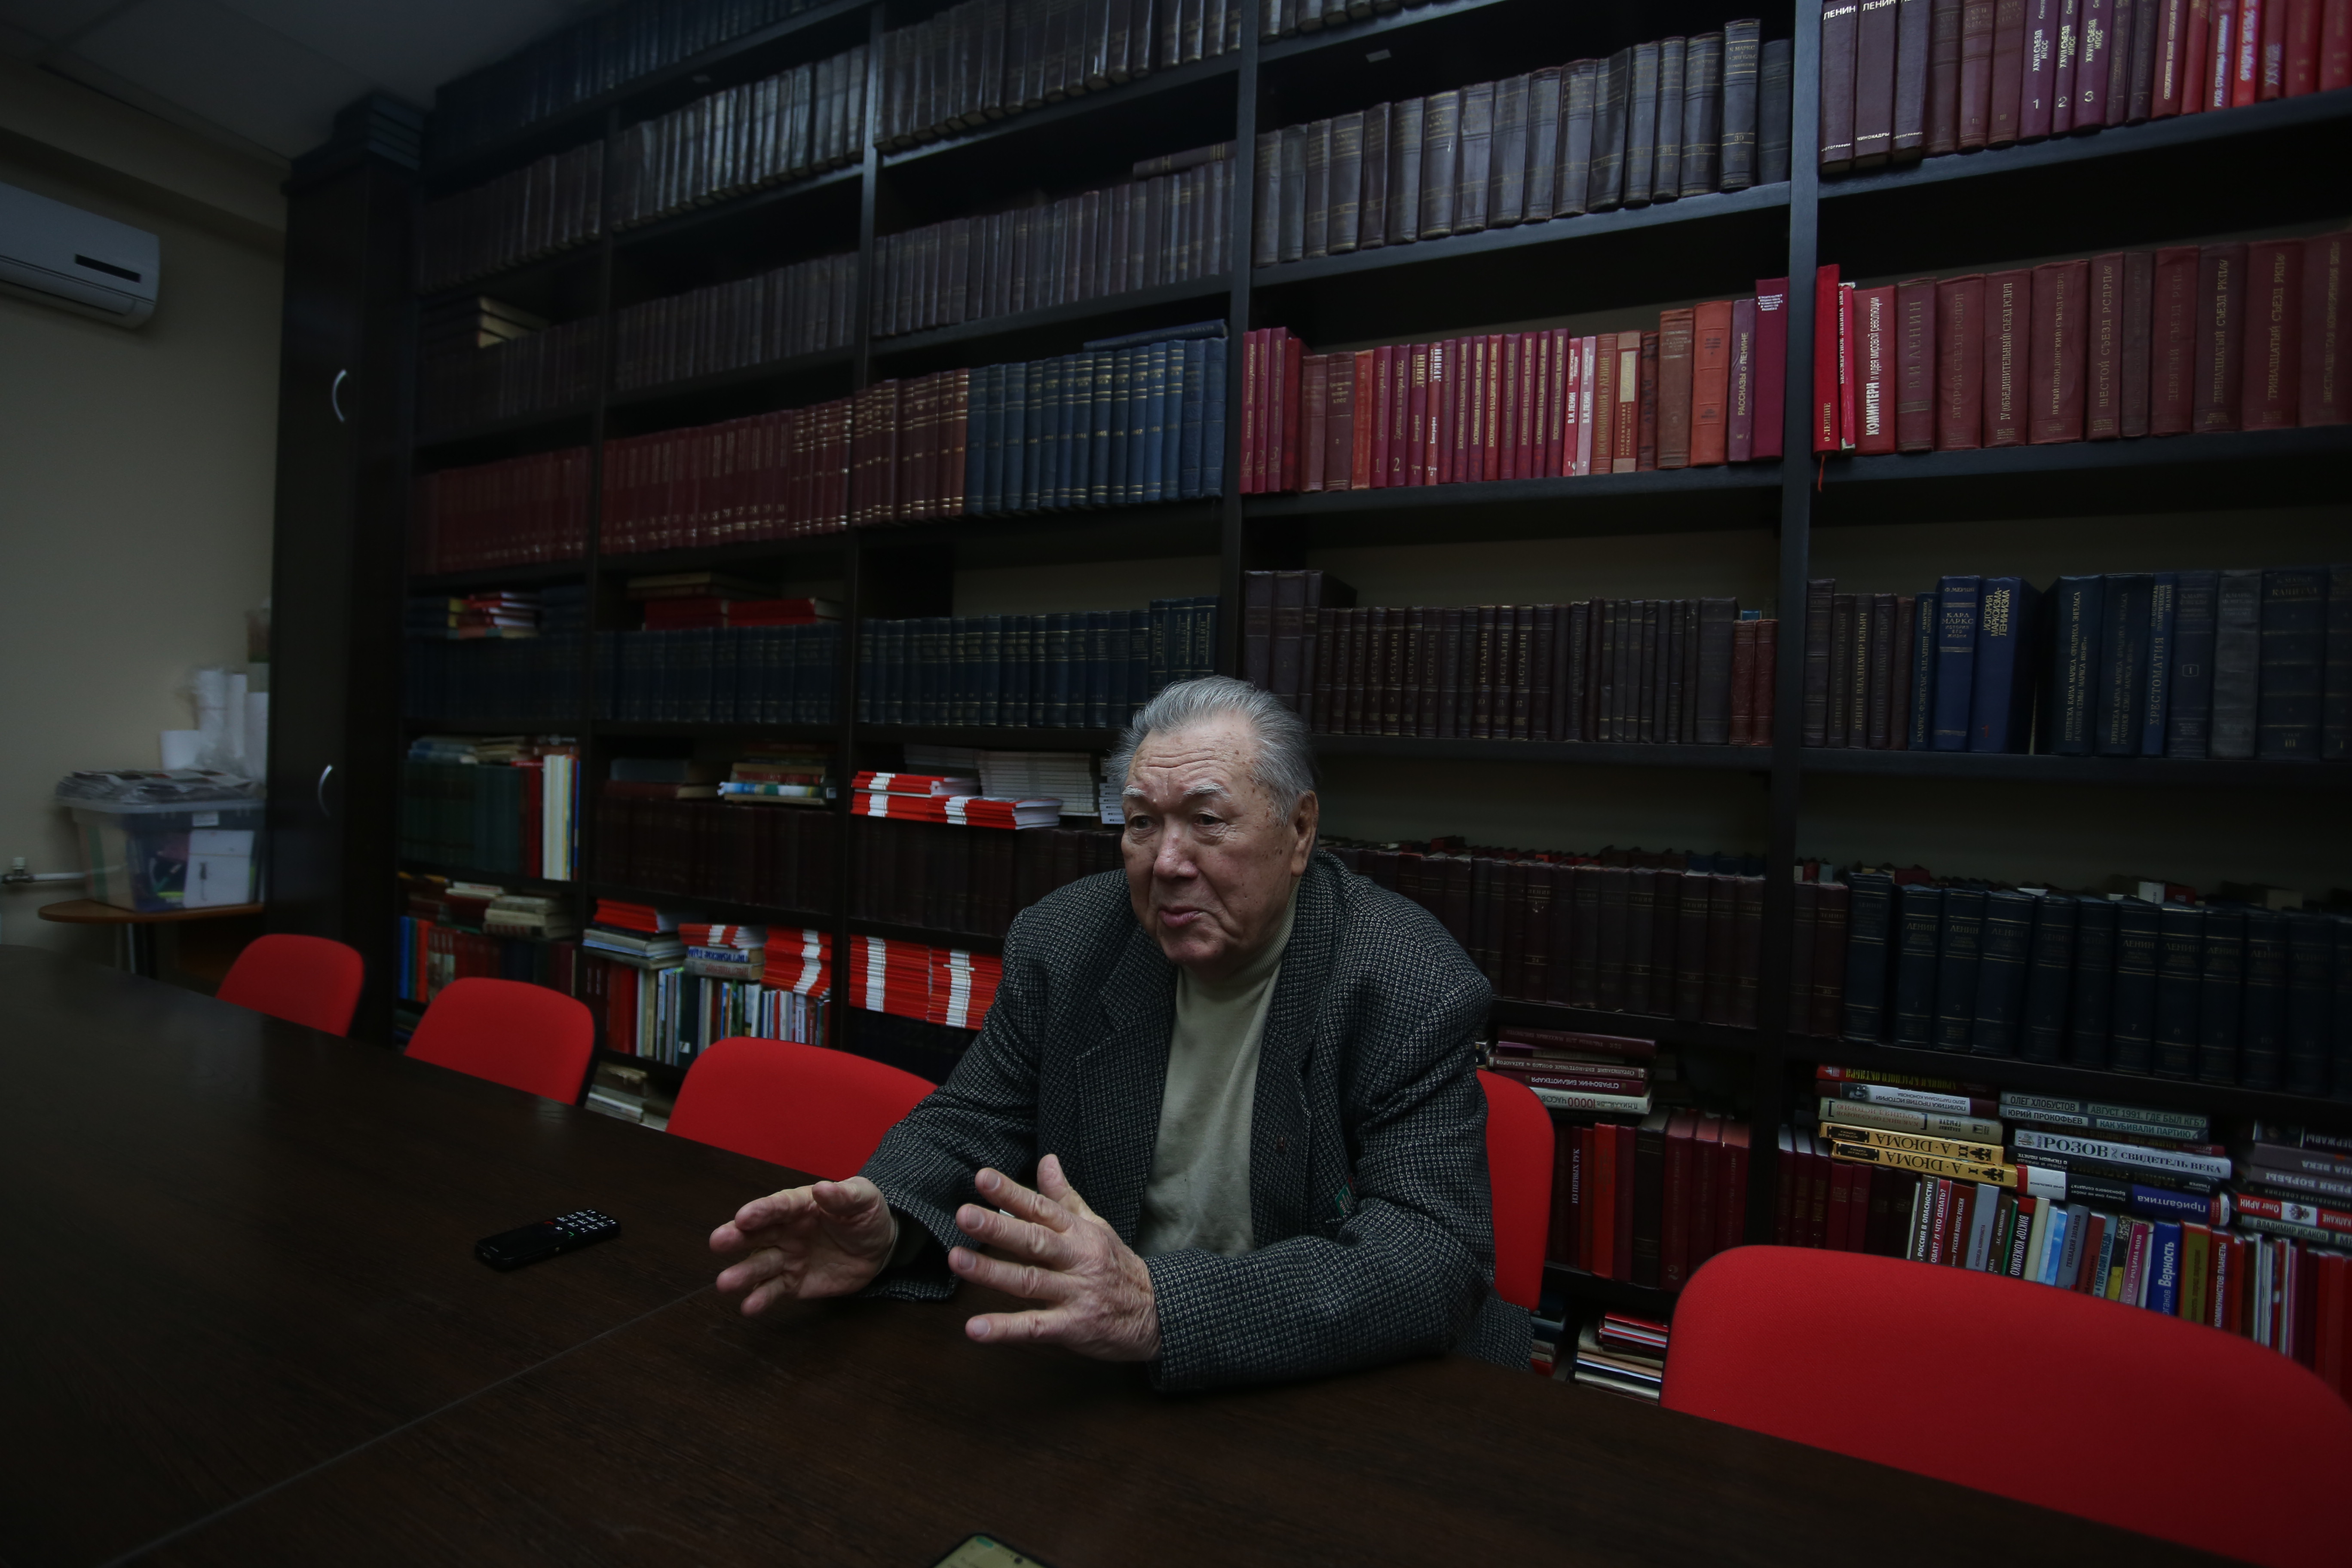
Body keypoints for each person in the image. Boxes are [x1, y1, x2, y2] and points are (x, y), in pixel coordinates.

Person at [709, 676, 1528, 1390]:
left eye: (1207, 820)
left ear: (1300, 831)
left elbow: (1429, 1256)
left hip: (1335, 1380)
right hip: (1108, 1371)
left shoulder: (1404, 980)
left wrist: (1161, 1308)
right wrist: (889, 1219)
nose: (1166, 861)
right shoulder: (1069, 942)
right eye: (1141, 823)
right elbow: (973, 1119)